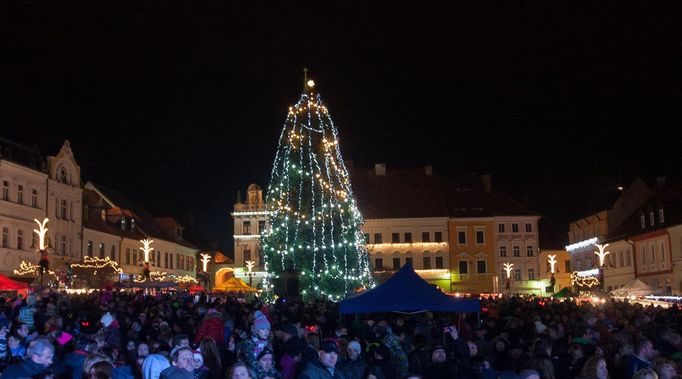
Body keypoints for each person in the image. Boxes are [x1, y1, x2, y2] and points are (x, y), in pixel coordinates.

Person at [241, 311, 272, 378]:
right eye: (263, 329)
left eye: (268, 329)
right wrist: (264, 376)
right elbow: (252, 362)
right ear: (256, 330)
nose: (266, 332)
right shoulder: (249, 343)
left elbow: (271, 362)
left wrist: (272, 374)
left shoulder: (267, 343)